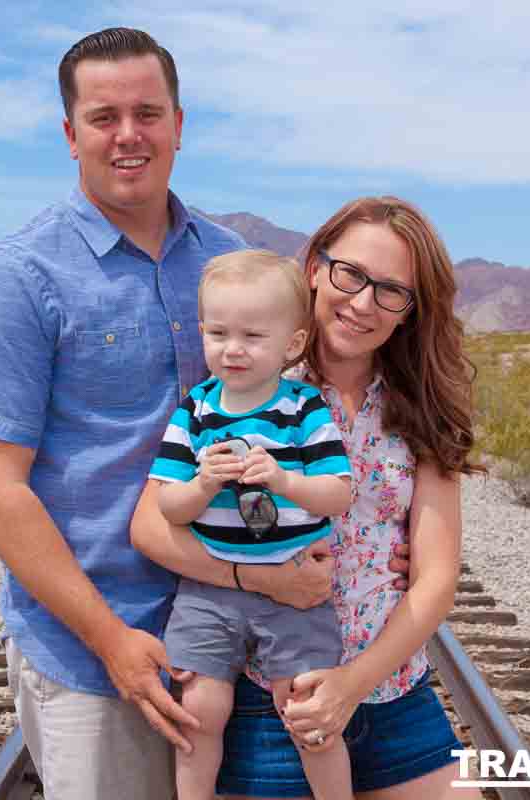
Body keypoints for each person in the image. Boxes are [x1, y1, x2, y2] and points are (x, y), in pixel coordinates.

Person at [0, 27, 335, 800]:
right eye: (104, 116)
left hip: (246, 632)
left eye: (149, 113)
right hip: (102, 650)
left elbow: (314, 410)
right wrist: (111, 642)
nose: (129, 135)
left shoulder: (231, 263)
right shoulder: (18, 277)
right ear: (70, 134)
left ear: (180, 125)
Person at [131, 195, 484, 799]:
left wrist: (351, 685)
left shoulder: (418, 410)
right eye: (351, 274)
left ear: (410, 310)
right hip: (277, 699)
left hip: (391, 694)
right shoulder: (247, 387)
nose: (363, 302)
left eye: (391, 291)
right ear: (315, 270)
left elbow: (436, 579)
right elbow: (149, 527)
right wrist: (255, 581)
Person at [148, 250, 354, 800]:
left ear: (291, 344)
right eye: (218, 332)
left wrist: (285, 482)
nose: (232, 348)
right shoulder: (194, 410)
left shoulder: (303, 408)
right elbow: (169, 508)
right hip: (209, 591)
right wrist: (203, 485)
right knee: (200, 708)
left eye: (252, 336)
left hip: (294, 589)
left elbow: (338, 493)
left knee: (307, 713)